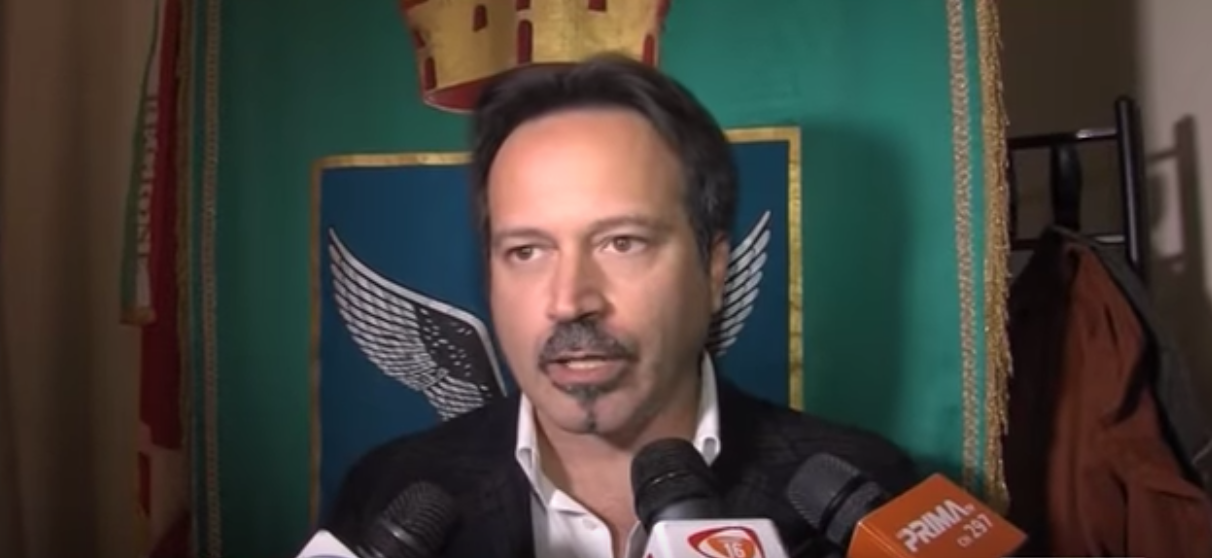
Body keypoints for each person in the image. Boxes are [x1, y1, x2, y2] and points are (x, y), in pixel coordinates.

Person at [323, 53, 919, 558]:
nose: (569, 301)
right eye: (527, 251)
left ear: (714, 271)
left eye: (621, 243)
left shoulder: (871, 501)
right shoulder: (386, 494)